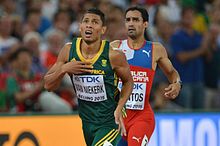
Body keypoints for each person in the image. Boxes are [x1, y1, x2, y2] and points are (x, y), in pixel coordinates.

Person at [44, 8, 134, 146]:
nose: (89, 25)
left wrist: (120, 107)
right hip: (87, 120)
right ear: (80, 27)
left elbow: (128, 82)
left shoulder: (114, 56)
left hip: (110, 120)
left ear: (103, 30)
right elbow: (48, 85)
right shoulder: (68, 50)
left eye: (95, 22)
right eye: (86, 21)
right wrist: (64, 69)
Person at [111, 6, 181, 146]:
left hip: (141, 118)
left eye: (135, 20)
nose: (131, 23)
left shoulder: (156, 49)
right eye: (128, 20)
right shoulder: (114, 47)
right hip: (117, 118)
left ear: (145, 24)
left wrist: (177, 83)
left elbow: (172, 73)